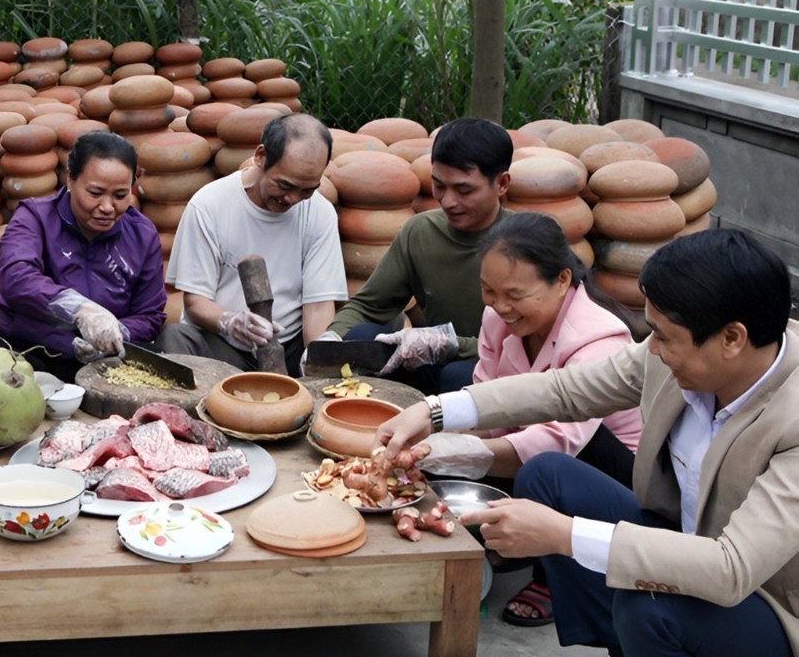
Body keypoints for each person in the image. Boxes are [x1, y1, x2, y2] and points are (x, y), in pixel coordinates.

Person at [376, 229, 799, 657]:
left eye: (664, 336)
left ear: (732, 338)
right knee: (549, 476)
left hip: (766, 611)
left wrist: (563, 535)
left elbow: (729, 568)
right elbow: (565, 389)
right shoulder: (670, 358)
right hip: (682, 546)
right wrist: (435, 411)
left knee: (650, 606)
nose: (650, 348)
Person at [428, 212, 642, 630]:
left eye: (514, 294)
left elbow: (560, 438)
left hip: (613, 475)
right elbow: (487, 398)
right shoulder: (499, 318)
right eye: (488, 290)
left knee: (551, 462)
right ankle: (520, 542)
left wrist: (462, 455)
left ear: (562, 280)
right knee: (458, 385)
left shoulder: (600, 338)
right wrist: (437, 440)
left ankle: (555, 572)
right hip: (535, 447)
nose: (499, 305)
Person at [309, 117, 512, 393]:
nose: (449, 201)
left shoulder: (525, 244)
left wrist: (450, 343)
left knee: (457, 376)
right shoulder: (420, 232)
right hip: (435, 361)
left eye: (464, 190)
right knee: (362, 338)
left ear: (501, 183)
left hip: (502, 371)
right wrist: (330, 340)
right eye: (439, 185)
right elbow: (369, 306)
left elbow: (534, 342)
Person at [160, 113, 346, 376]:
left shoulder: (320, 213)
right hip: (223, 344)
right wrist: (231, 323)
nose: (292, 199)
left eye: (307, 190)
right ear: (260, 156)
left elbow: (317, 305)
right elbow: (195, 302)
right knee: (174, 338)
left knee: (368, 333)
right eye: (284, 185)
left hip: (288, 345)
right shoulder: (209, 205)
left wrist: (315, 357)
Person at [0, 131, 166, 380]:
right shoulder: (36, 218)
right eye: (95, 193)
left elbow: (150, 314)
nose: (107, 207)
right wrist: (80, 310)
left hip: (110, 362)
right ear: (70, 179)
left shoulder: (142, 234)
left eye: (120, 196)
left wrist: (116, 333)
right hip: (33, 355)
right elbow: (16, 279)